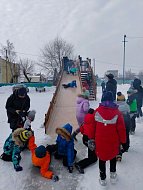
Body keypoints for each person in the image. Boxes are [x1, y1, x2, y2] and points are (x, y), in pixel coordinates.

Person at [94, 91, 126, 186]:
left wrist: (91, 138)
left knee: (102, 159)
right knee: (112, 158)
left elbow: (92, 127)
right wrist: (123, 141)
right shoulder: (117, 113)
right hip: (113, 142)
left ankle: (103, 179)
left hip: (100, 142)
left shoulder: (97, 111)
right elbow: (122, 129)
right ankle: (113, 175)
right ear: (113, 100)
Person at [73, 108, 98, 174]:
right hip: (90, 140)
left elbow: (81, 130)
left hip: (85, 139)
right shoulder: (95, 121)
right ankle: (80, 164)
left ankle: (94, 151)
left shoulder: (85, 120)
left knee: (93, 150)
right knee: (93, 158)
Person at [116, 92, 131, 161]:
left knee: (118, 135)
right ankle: (126, 147)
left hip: (118, 121)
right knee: (126, 134)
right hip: (126, 121)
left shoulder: (115, 105)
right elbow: (129, 111)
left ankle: (119, 148)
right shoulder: (126, 105)